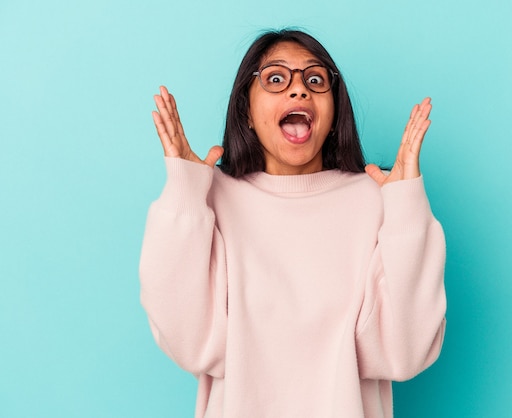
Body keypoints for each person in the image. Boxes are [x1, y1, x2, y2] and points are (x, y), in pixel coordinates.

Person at [139, 29, 446, 418]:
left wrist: (405, 207)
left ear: (335, 112)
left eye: (315, 80)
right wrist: (184, 193)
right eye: (276, 78)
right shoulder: (210, 200)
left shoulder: (376, 201)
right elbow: (190, 342)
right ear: (246, 110)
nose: (299, 90)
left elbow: (406, 353)